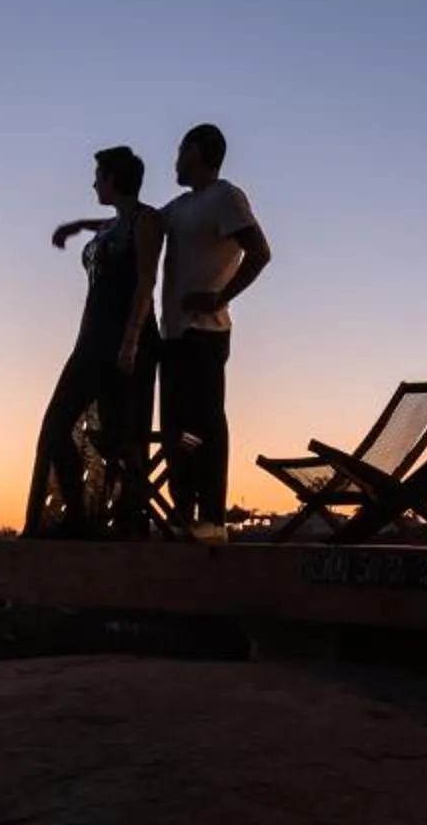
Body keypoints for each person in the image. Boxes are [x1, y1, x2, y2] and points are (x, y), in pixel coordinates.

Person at [24, 146, 160, 538]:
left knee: (119, 437)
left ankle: (124, 523)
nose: (93, 182)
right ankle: (79, 519)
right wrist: (76, 225)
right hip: (90, 341)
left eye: (99, 175)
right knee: (56, 426)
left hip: (124, 342)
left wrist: (130, 342)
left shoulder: (147, 221)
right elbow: (107, 222)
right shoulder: (114, 223)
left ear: (114, 179)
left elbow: (147, 282)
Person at [154, 121, 270, 540]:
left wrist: (220, 297)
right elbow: (143, 223)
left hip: (206, 332)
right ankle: (183, 513)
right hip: (174, 334)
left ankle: (213, 517)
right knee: (176, 428)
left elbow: (260, 253)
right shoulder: (180, 207)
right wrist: (83, 225)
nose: (175, 160)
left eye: (180, 150)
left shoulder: (225, 197)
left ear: (198, 152)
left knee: (204, 423)